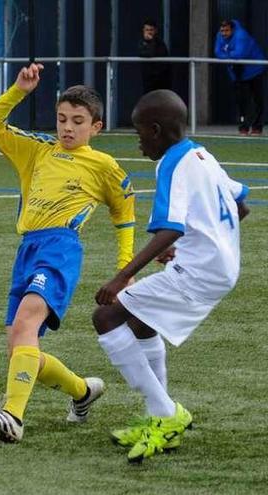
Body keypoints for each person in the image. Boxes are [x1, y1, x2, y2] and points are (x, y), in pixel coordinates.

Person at [0, 63, 136, 443]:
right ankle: (83, 391)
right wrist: (18, 91)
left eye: (77, 121)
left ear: (96, 128)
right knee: (20, 349)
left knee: (26, 324)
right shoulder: (38, 150)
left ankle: (12, 416)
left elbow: (124, 217)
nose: (67, 128)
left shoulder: (105, 166)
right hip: (27, 248)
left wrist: (124, 269)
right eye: (62, 119)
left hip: (60, 248)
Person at [92, 89, 249, 463]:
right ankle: (158, 419)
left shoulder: (173, 164)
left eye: (140, 132)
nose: (138, 140)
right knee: (141, 321)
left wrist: (120, 277)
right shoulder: (202, 155)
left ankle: (165, 412)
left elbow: (170, 228)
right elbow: (240, 205)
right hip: (220, 267)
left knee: (107, 317)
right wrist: (196, 243)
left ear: (157, 130)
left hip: (201, 273)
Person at [214, 19, 266, 136]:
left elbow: (239, 54)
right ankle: (243, 127)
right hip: (238, 73)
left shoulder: (241, 35)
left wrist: (226, 55)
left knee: (258, 100)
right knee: (241, 101)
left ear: (232, 30)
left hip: (255, 70)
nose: (223, 34)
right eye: (222, 31)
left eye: (226, 31)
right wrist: (229, 56)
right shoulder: (220, 35)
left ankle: (257, 127)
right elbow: (217, 52)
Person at [138, 19, 173, 94]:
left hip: (161, 80)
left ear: (155, 31)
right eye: (147, 30)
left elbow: (156, 54)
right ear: (143, 31)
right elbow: (146, 54)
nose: (149, 32)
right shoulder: (141, 43)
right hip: (148, 80)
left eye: (151, 30)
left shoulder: (160, 43)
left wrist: (152, 41)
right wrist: (150, 42)